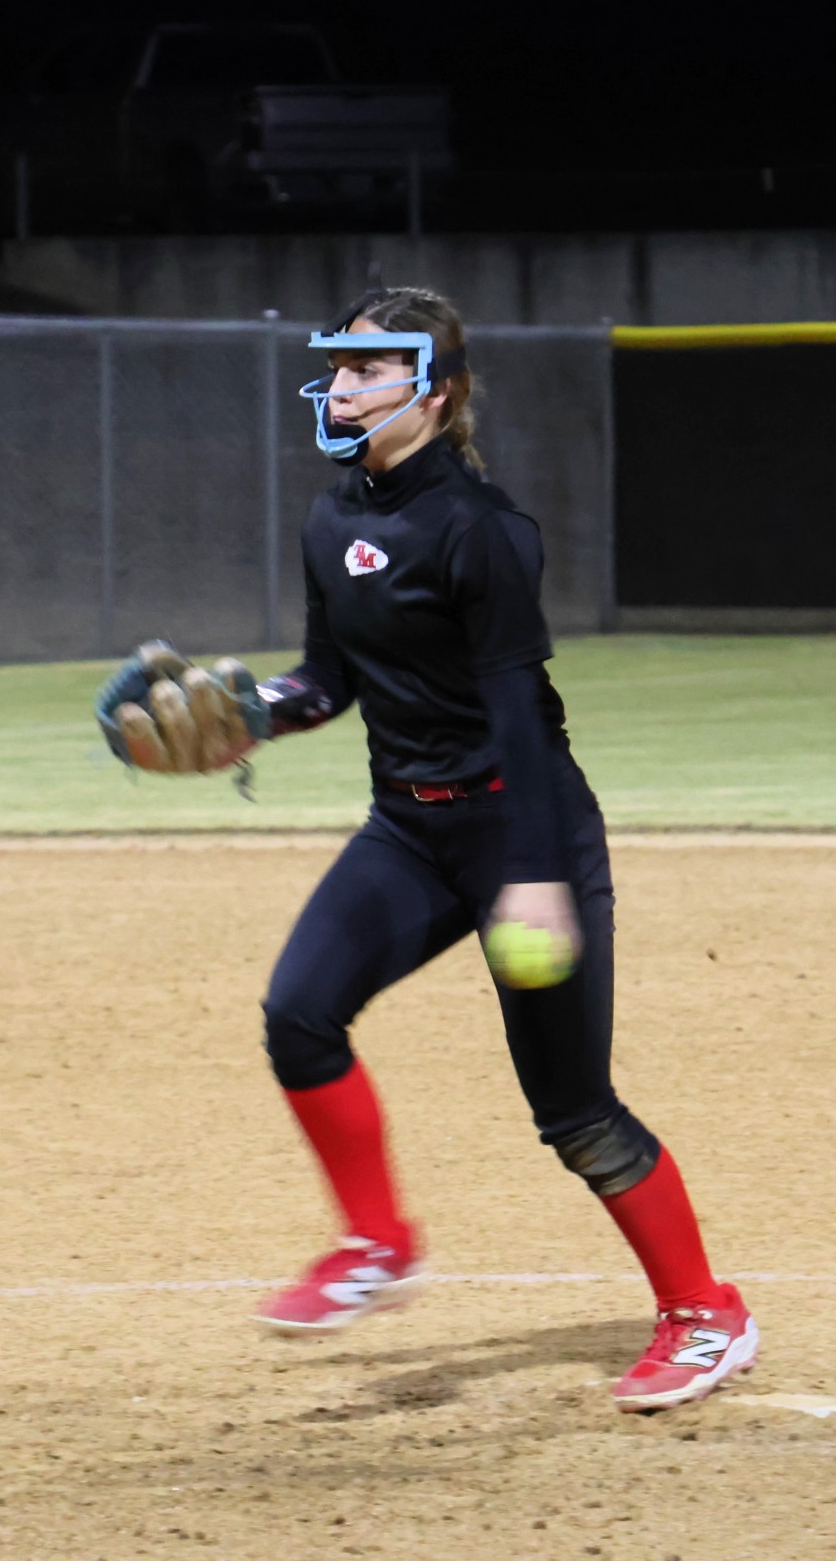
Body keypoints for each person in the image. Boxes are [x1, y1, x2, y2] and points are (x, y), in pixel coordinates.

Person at [96, 287, 758, 1412]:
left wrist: (540, 879)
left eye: (366, 369)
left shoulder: (482, 531)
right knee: (299, 1015)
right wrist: (252, 712)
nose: (341, 386)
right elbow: (329, 682)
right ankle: (379, 1241)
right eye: (337, 368)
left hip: (520, 826)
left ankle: (706, 1312)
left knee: (574, 1109)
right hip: (409, 827)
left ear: (434, 391)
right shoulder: (329, 519)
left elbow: (514, 713)